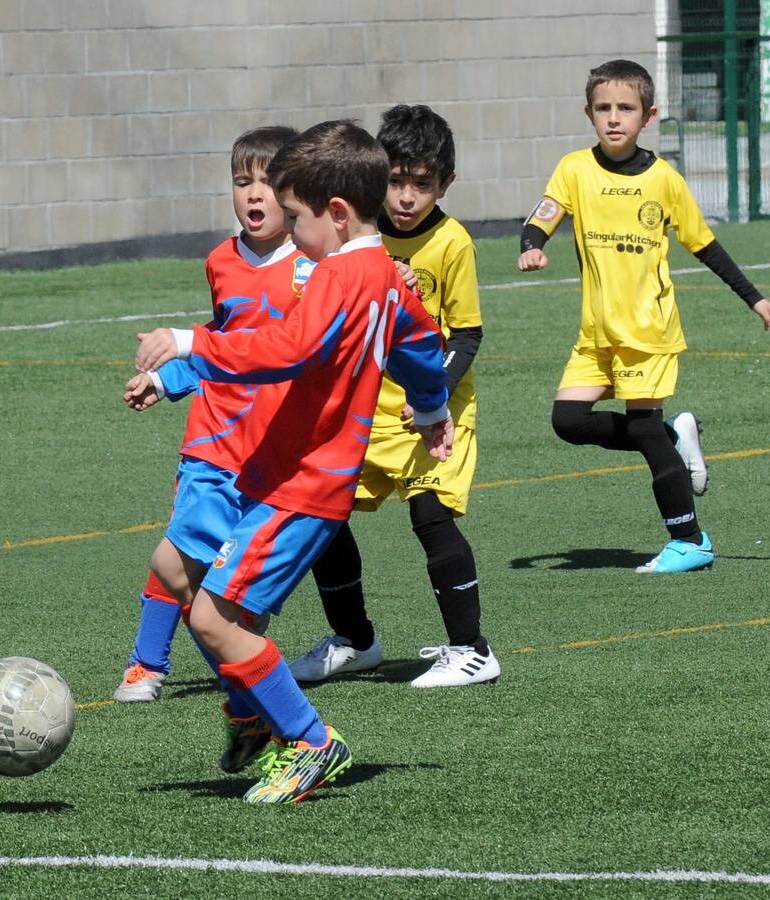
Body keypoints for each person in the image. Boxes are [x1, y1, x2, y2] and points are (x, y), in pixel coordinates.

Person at [130, 121, 454, 804]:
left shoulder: (339, 276)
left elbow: (282, 349)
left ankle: (309, 741)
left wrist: (188, 341)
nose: (292, 232)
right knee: (208, 600)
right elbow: (423, 346)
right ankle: (256, 719)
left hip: (304, 485)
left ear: (335, 215)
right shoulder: (385, 279)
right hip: (283, 477)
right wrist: (430, 412)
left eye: (298, 217)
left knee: (216, 620)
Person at [517, 59, 770, 574]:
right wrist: (531, 244)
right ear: (588, 113)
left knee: (642, 429)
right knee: (568, 422)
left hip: (648, 332)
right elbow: (545, 214)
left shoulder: (664, 180)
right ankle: (676, 435)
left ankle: (689, 540)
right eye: (603, 108)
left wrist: (754, 298)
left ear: (649, 115)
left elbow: (704, 245)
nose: (614, 118)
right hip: (595, 334)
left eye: (625, 108)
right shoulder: (574, 168)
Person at [292, 105, 500, 688]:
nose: (407, 196)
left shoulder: (453, 242)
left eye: (422, 183)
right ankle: (355, 641)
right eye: (397, 180)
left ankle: (472, 650)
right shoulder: (359, 237)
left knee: (431, 517)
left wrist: (435, 392)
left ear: (446, 184)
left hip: (438, 413)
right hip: (364, 409)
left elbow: (467, 332)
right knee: (325, 516)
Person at [113, 125, 309, 704]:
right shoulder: (221, 262)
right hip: (215, 441)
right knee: (175, 560)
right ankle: (147, 665)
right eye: (241, 182)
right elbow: (217, 342)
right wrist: (165, 378)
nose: (253, 195)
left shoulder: (315, 267)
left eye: (268, 184)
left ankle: (248, 681)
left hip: (278, 455)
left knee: (239, 599)